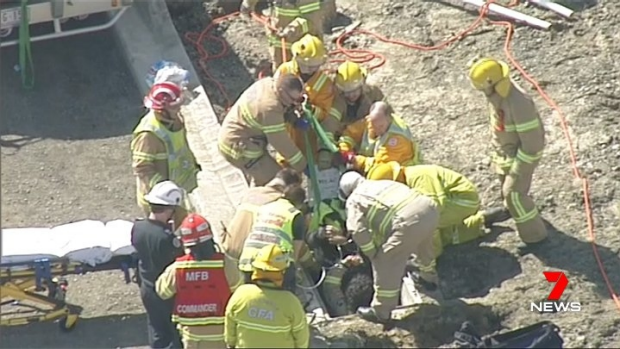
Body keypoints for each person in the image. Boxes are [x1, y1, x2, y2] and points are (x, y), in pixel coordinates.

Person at [366, 162, 511, 280]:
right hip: (456, 201)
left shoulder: (419, 176)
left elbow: (433, 208)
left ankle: (430, 260)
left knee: (425, 226)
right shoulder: (412, 176)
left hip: (462, 201)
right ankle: (481, 222)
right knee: (444, 234)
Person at [336, 171, 440, 323]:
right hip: (430, 208)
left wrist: (372, 253)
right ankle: (428, 279)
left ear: (346, 192)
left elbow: (356, 229)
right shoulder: (382, 182)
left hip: (407, 220)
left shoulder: (354, 199)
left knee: (384, 261)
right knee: (425, 248)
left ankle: (381, 312)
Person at [468, 58, 547, 245]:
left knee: (514, 194)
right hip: (506, 154)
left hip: (523, 156)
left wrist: (519, 168)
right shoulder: (497, 96)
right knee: (507, 190)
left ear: (493, 84)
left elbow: (532, 143)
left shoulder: (518, 104)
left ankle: (535, 236)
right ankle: (512, 210)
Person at [220, 168, 310, 292]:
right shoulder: (277, 201)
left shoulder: (251, 193)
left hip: (229, 250)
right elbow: (297, 246)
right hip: (257, 258)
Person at [156, 214, 231, 349]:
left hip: (192, 339)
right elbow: (239, 290)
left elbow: (162, 292)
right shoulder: (226, 264)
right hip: (222, 336)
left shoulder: (178, 268)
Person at [218, 73, 308, 186]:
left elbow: (281, 109)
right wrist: (302, 165)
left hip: (242, 138)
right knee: (282, 184)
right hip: (240, 149)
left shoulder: (268, 84)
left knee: (264, 181)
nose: (294, 103)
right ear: (280, 91)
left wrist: (293, 118)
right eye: (292, 99)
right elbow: (281, 142)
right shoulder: (269, 108)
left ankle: (258, 196)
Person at [131, 80, 200, 224]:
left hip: (180, 191)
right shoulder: (148, 134)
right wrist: (165, 190)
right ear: (162, 110)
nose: (179, 109)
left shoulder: (174, 119)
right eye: (175, 107)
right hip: (163, 202)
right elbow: (142, 168)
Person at [131, 181, 185, 348]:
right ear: (169, 209)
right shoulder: (167, 239)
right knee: (173, 334)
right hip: (164, 293)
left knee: (156, 329)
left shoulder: (138, 227)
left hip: (146, 287)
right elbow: (178, 263)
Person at [273, 34, 340, 169]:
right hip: (286, 127)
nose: (312, 70)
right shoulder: (284, 70)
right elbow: (274, 95)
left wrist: (310, 109)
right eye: (308, 66)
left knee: (307, 163)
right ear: (297, 58)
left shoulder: (324, 84)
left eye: (316, 66)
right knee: (285, 161)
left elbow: (324, 113)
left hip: (308, 135)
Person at [224, 244, 310, 349]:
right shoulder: (290, 302)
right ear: (282, 272)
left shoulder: (241, 294)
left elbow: (230, 331)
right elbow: (301, 337)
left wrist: (231, 343)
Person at [237, 184, 308, 292]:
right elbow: (296, 251)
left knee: (250, 295)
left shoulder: (264, 208)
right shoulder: (295, 214)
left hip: (249, 260)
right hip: (274, 264)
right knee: (283, 297)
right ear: (300, 203)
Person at [240, 0, 326, 73]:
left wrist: (292, 29)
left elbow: (312, 21)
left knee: (305, 75)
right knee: (280, 72)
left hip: (304, 45)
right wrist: (248, 4)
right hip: (280, 39)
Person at [346, 101, 422, 175]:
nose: (377, 130)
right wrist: (345, 148)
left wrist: (357, 160)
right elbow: (350, 133)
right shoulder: (375, 120)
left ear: (389, 118)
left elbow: (381, 164)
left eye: (380, 126)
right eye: (374, 126)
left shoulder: (398, 138)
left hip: (400, 173)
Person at [332, 61, 386, 156]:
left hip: (373, 140)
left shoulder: (374, 94)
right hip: (345, 143)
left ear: (362, 84)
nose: (351, 95)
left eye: (355, 90)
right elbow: (332, 126)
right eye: (346, 92)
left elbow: (388, 116)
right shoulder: (335, 101)